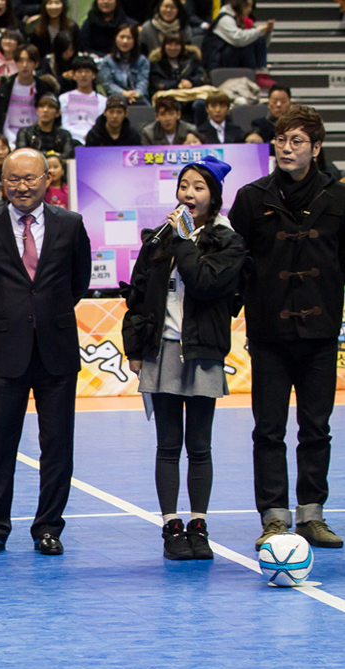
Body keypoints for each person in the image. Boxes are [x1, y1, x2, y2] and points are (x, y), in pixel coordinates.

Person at [0, 147, 92, 557]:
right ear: (2, 182)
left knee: (57, 445)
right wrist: (9, 316)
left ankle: (49, 528)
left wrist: (46, 314)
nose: (22, 186)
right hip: (7, 349)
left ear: (47, 180)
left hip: (57, 349)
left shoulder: (71, 224)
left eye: (30, 178)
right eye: (14, 179)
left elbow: (79, 280)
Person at [227, 106, 345, 551]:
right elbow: (235, 264)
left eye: (297, 141)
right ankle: (274, 517)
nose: (287, 148)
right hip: (269, 333)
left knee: (316, 429)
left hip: (320, 332)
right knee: (268, 430)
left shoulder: (338, 198)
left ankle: (312, 515)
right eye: (281, 140)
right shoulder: (252, 198)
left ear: (316, 148)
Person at [122, 155, 246, 560]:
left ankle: (199, 525)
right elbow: (138, 295)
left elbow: (206, 282)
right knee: (168, 445)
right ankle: (171, 527)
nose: (188, 194)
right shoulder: (159, 239)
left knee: (200, 446)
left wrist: (185, 240)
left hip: (203, 349)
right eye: (184, 186)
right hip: (162, 350)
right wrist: (135, 349)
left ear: (214, 195)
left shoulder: (228, 240)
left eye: (198, 187)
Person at [0, 45, 56, 147]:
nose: (24, 65)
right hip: (9, 138)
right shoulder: (3, 90)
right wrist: (12, 139)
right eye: (20, 61)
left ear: (36, 64)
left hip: (37, 138)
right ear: (15, 63)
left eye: (29, 61)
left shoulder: (44, 89)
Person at [207, 0, 272, 82]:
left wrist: (267, 32)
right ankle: (255, 75)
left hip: (235, 56)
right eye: (248, 5)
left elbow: (262, 44)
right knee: (247, 45)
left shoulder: (243, 20)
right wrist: (259, 31)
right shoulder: (225, 19)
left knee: (257, 39)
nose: (250, 9)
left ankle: (262, 72)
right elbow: (238, 39)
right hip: (220, 59)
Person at [58, 57, 106, 145]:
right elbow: (65, 124)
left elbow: (100, 126)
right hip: (70, 141)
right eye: (79, 72)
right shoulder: (64, 98)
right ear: (73, 75)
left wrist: (90, 136)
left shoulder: (102, 100)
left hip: (94, 140)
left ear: (93, 75)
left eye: (87, 71)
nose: (83, 75)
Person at [99, 23, 149, 105]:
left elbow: (143, 81)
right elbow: (108, 84)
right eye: (122, 37)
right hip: (116, 98)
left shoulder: (142, 61)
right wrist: (125, 93)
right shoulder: (107, 61)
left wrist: (137, 93)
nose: (125, 41)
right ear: (115, 38)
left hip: (138, 98)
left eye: (129, 38)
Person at [15, 93, 74, 158]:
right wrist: (52, 154)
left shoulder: (64, 135)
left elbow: (69, 155)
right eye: (42, 106)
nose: (45, 110)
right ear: (37, 110)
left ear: (58, 113)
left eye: (51, 107)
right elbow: (22, 154)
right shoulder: (25, 132)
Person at [147, 32, 207, 96]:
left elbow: (201, 77)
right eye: (169, 44)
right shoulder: (156, 62)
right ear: (164, 46)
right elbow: (157, 83)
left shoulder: (191, 59)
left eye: (177, 45)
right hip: (167, 95)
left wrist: (191, 82)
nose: (173, 48)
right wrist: (177, 84)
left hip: (190, 93)